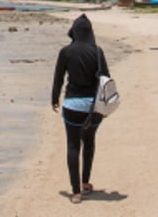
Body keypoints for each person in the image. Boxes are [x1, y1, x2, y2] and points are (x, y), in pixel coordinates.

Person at [50, 13, 109, 203]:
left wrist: (54, 99)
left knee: (73, 145)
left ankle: (75, 193)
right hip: (94, 107)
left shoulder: (65, 52)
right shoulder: (98, 51)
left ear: (74, 32)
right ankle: (85, 182)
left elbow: (58, 79)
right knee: (89, 141)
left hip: (73, 106)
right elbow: (106, 78)